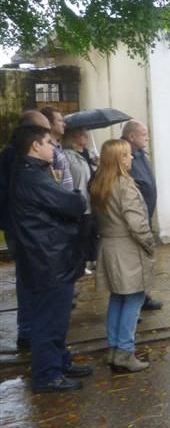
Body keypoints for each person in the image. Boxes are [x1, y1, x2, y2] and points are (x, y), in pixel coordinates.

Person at [10, 124, 92, 392]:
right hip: (47, 259)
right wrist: (77, 196)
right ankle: (48, 374)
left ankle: (60, 362)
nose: (54, 147)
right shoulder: (32, 178)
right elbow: (72, 204)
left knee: (56, 318)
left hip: (48, 257)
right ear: (35, 145)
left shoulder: (33, 174)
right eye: (49, 143)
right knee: (49, 321)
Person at [91, 139, 155, 372]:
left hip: (108, 246)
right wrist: (149, 244)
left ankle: (114, 348)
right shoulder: (124, 185)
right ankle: (125, 352)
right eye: (127, 155)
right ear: (118, 159)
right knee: (134, 299)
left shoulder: (100, 183)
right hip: (127, 249)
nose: (132, 158)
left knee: (118, 298)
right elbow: (136, 222)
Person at [0, 110, 51, 351]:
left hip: (23, 227)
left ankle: (30, 329)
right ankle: (28, 330)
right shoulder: (14, 157)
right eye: (44, 130)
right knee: (28, 279)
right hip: (21, 229)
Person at [121, 119, 163, 312]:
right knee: (135, 262)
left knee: (144, 260)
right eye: (144, 134)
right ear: (131, 137)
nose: (147, 137)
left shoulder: (139, 154)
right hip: (133, 218)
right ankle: (134, 303)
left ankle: (142, 298)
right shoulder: (124, 154)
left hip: (144, 215)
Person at [63, 127, 97, 265]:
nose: (86, 136)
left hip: (91, 201)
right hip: (79, 201)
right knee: (81, 233)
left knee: (91, 232)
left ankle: (91, 259)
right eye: (82, 134)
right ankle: (79, 262)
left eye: (86, 133)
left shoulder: (89, 154)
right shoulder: (67, 156)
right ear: (73, 137)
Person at [39, 106, 74, 190]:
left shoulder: (58, 147)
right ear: (49, 124)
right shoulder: (47, 150)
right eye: (60, 121)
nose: (64, 124)